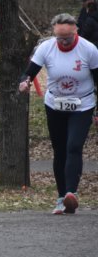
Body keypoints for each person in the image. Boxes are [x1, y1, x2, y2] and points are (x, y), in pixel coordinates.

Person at [18, 12, 98, 214]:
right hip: (55, 104)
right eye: (60, 38)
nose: (63, 42)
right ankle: (62, 198)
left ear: (75, 32)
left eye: (67, 38)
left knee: (74, 146)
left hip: (82, 105)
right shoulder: (46, 47)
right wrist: (24, 82)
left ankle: (72, 193)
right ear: (54, 34)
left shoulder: (89, 49)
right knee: (60, 150)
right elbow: (29, 72)